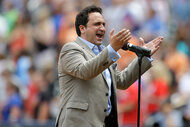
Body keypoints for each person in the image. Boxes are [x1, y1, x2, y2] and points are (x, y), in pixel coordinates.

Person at [56, 5, 163, 127]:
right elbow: (85, 71)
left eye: (103, 24)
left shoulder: (103, 54)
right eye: (97, 24)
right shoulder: (71, 49)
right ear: (82, 28)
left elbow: (122, 81)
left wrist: (144, 57)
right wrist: (112, 49)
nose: (102, 28)